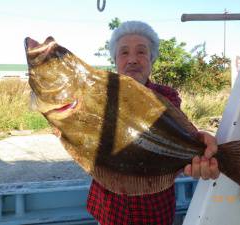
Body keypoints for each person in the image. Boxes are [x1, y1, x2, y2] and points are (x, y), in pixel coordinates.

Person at [87, 21, 220, 225]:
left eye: (141, 52)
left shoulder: (166, 96)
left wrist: (200, 139)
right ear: (115, 60)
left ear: (152, 59)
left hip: (153, 209)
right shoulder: (98, 95)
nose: (132, 59)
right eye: (124, 52)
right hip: (109, 207)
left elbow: (178, 133)